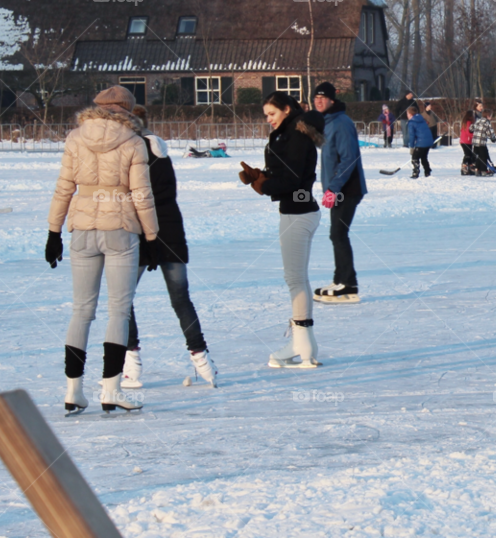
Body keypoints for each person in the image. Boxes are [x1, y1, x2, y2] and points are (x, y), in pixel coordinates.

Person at [46, 85, 159, 415]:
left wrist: (53, 232)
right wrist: (151, 237)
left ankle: (73, 390)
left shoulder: (75, 138)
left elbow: (63, 188)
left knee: (81, 310)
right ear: (126, 109)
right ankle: (110, 389)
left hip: (82, 227)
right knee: (119, 311)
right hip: (120, 229)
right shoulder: (134, 141)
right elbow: (141, 194)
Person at [121, 106, 218, 388]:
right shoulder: (159, 150)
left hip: (141, 232)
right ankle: (203, 361)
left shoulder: (131, 153)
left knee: (123, 298)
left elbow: (138, 197)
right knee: (180, 298)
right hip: (170, 231)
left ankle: (131, 365)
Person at [239, 91, 325, 368]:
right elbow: (287, 173)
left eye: (272, 114)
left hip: (297, 214)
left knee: (295, 279)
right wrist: (262, 176)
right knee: (297, 278)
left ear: (286, 110)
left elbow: (293, 179)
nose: (269, 120)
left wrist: (265, 185)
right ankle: (304, 343)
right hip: (297, 212)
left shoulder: (296, 136)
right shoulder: (290, 134)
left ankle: (302, 344)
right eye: (266, 115)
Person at [312, 82, 367, 304]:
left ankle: (348, 283)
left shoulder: (341, 122)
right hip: (337, 188)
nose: (318, 101)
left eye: (323, 97)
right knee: (336, 234)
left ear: (332, 100)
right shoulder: (327, 122)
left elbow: (348, 158)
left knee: (338, 234)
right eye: (316, 97)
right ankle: (339, 280)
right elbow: (327, 150)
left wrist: (333, 188)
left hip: (347, 188)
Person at [406, 106, 434, 178]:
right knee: (424, 157)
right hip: (428, 141)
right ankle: (427, 171)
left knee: (415, 158)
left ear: (410, 114)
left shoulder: (411, 122)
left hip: (421, 142)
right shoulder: (422, 119)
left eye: (407, 113)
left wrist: (411, 147)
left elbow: (412, 136)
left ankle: (416, 172)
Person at [471, 108, 496, 176]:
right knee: (483, 156)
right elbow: (490, 132)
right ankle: (484, 170)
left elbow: (471, 128)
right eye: (491, 116)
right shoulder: (487, 123)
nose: (491, 117)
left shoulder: (478, 121)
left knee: (477, 156)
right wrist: (493, 139)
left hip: (475, 143)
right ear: (488, 116)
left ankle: (477, 169)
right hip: (481, 143)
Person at [459, 105, 478, 175]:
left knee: (470, 154)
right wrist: (475, 136)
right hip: (466, 141)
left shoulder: (467, 122)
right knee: (467, 154)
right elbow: (468, 132)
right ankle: (464, 166)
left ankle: (470, 167)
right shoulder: (468, 123)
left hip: (467, 141)